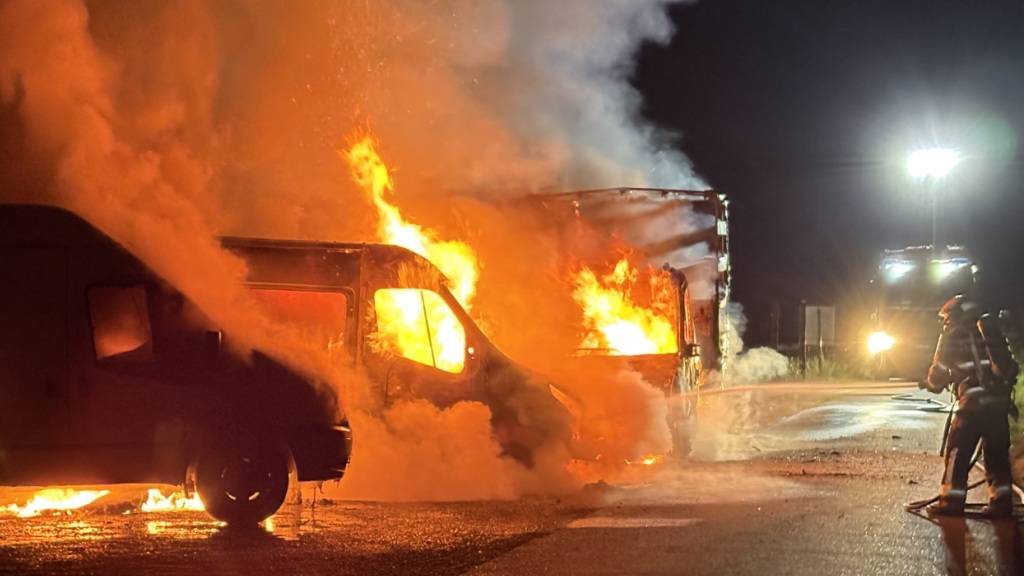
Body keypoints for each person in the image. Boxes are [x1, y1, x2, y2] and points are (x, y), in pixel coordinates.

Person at [925, 294, 1019, 517]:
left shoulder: (952, 336)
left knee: (958, 451)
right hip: (998, 403)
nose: (945, 323)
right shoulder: (989, 331)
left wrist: (932, 383)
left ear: (954, 316)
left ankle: (951, 501)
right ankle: (1001, 503)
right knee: (997, 455)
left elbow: (937, 374)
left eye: (946, 318)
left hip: (973, 404)